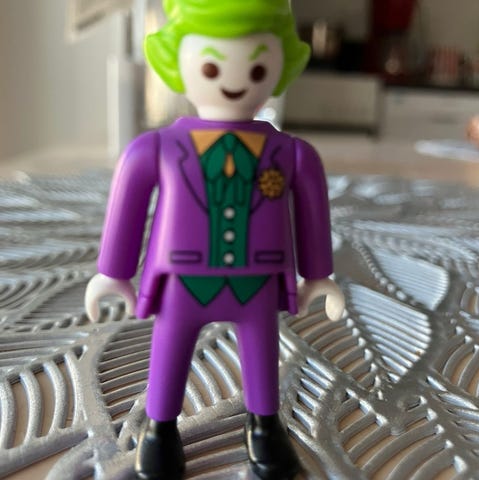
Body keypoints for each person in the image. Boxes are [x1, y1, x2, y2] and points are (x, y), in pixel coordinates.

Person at [85, 1, 345, 478]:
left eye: (257, 68)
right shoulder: (156, 148)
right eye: (211, 66)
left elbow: (312, 211)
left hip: (257, 275)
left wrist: (318, 274)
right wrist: (113, 271)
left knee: (261, 353)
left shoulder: (291, 153)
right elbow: (127, 207)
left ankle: (264, 428)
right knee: (170, 350)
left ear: (281, 66)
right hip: (183, 275)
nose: (235, 79)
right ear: (176, 62)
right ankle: (160, 431)